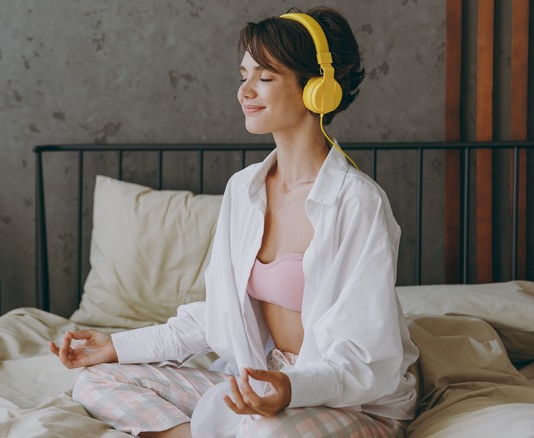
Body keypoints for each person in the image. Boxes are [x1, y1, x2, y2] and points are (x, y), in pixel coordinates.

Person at [50, 6, 419, 437]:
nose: (245, 91)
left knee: (266, 432)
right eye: (242, 75)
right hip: (262, 380)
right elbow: (222, 315)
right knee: (97, 382)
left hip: (350, 399)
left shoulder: (357, 203)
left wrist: (289, 390)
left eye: (264, 77)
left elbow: (364, 359)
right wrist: (116, 346)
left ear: (317, 88)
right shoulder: (244, 191)